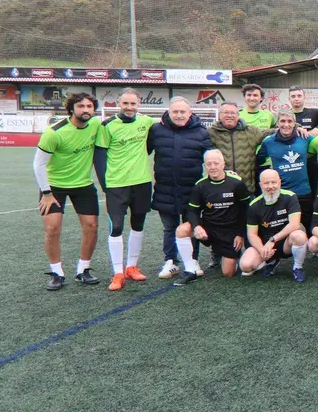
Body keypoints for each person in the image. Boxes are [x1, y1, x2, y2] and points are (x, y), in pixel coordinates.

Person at [35, 92, 103, 291]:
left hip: (83, 185)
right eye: (81, 106)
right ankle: (57, 273)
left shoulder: (96, 125)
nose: (85, 110)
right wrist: (47, 193)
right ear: (71, 108)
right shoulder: (54, 132)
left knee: (91, 226)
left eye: (89, 106)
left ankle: (83, 270)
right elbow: (38, 164)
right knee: (52, 229)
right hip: (54, 187)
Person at [94, 88, 154, 291]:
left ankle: (132, 267)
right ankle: (118, 272)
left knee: (138, 224)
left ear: (139, 105)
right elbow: (99, 156)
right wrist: (105, 185)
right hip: (117, 185)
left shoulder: (145, 122)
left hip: (142, 182)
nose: (129, 107)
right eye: (125, 103)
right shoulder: (107, 125)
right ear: (119, 103)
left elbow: (155, 140)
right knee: (116, 226)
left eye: (133, 104)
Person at [148, 96, 212, 279]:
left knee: (191, 226)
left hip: (191, 190)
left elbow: (210, 157)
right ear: (168, 112)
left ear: (190, 113)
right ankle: (171, 261)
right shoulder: (156, 130)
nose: (178, 115)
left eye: (182, 111)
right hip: (165, 189)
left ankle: (193, 260)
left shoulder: (201, 132)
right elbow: (142, 150)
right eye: (175, 111)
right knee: (169, 227)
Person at [172, 149, 250, 285]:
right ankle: (191, 269)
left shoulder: (236, 183)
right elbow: (192, 210)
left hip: (229, 231)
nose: (212, 167)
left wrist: (240, 234)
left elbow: (246, 210)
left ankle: (228, 255)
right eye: (209, 164)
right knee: (181, 230)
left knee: (228, 273)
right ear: (205, 165)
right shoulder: (200, 185)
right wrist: (196, 227)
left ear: (223, 164)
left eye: (216, 163)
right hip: (209, 227)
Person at [239, 169, 308, 281]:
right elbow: (252, 234)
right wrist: (262, 250)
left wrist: (273, 240)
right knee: (245, 266)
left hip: (285, 243)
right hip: (265, 245)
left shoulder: (290, 197)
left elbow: (294, 224)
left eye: (274, 182)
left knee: (299, 235)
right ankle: (271, 261)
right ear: (260, 185)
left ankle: (297, 267)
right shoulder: (254, 205)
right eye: (266, 183)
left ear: (280, 182)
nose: (270, 186)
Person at [256, 111, 314, 230]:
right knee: (283, 229)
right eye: (282, 121)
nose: (286, 125)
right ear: (277, 123)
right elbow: (258, 161)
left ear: (294, 123)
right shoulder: (268, 142)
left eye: (290, 121)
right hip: (281, 193)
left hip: (303, 192)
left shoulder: (304, 138)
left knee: (311, 229)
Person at [209, 102, 269, 195]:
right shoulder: (210, 133)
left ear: (238, 115)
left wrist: (295, 127)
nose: (229, 115)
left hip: (246, 189)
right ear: (219, 115)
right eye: (226, 112)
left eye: (233, 113)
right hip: (219, 189)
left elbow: (269, 132)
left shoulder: (251, 131)